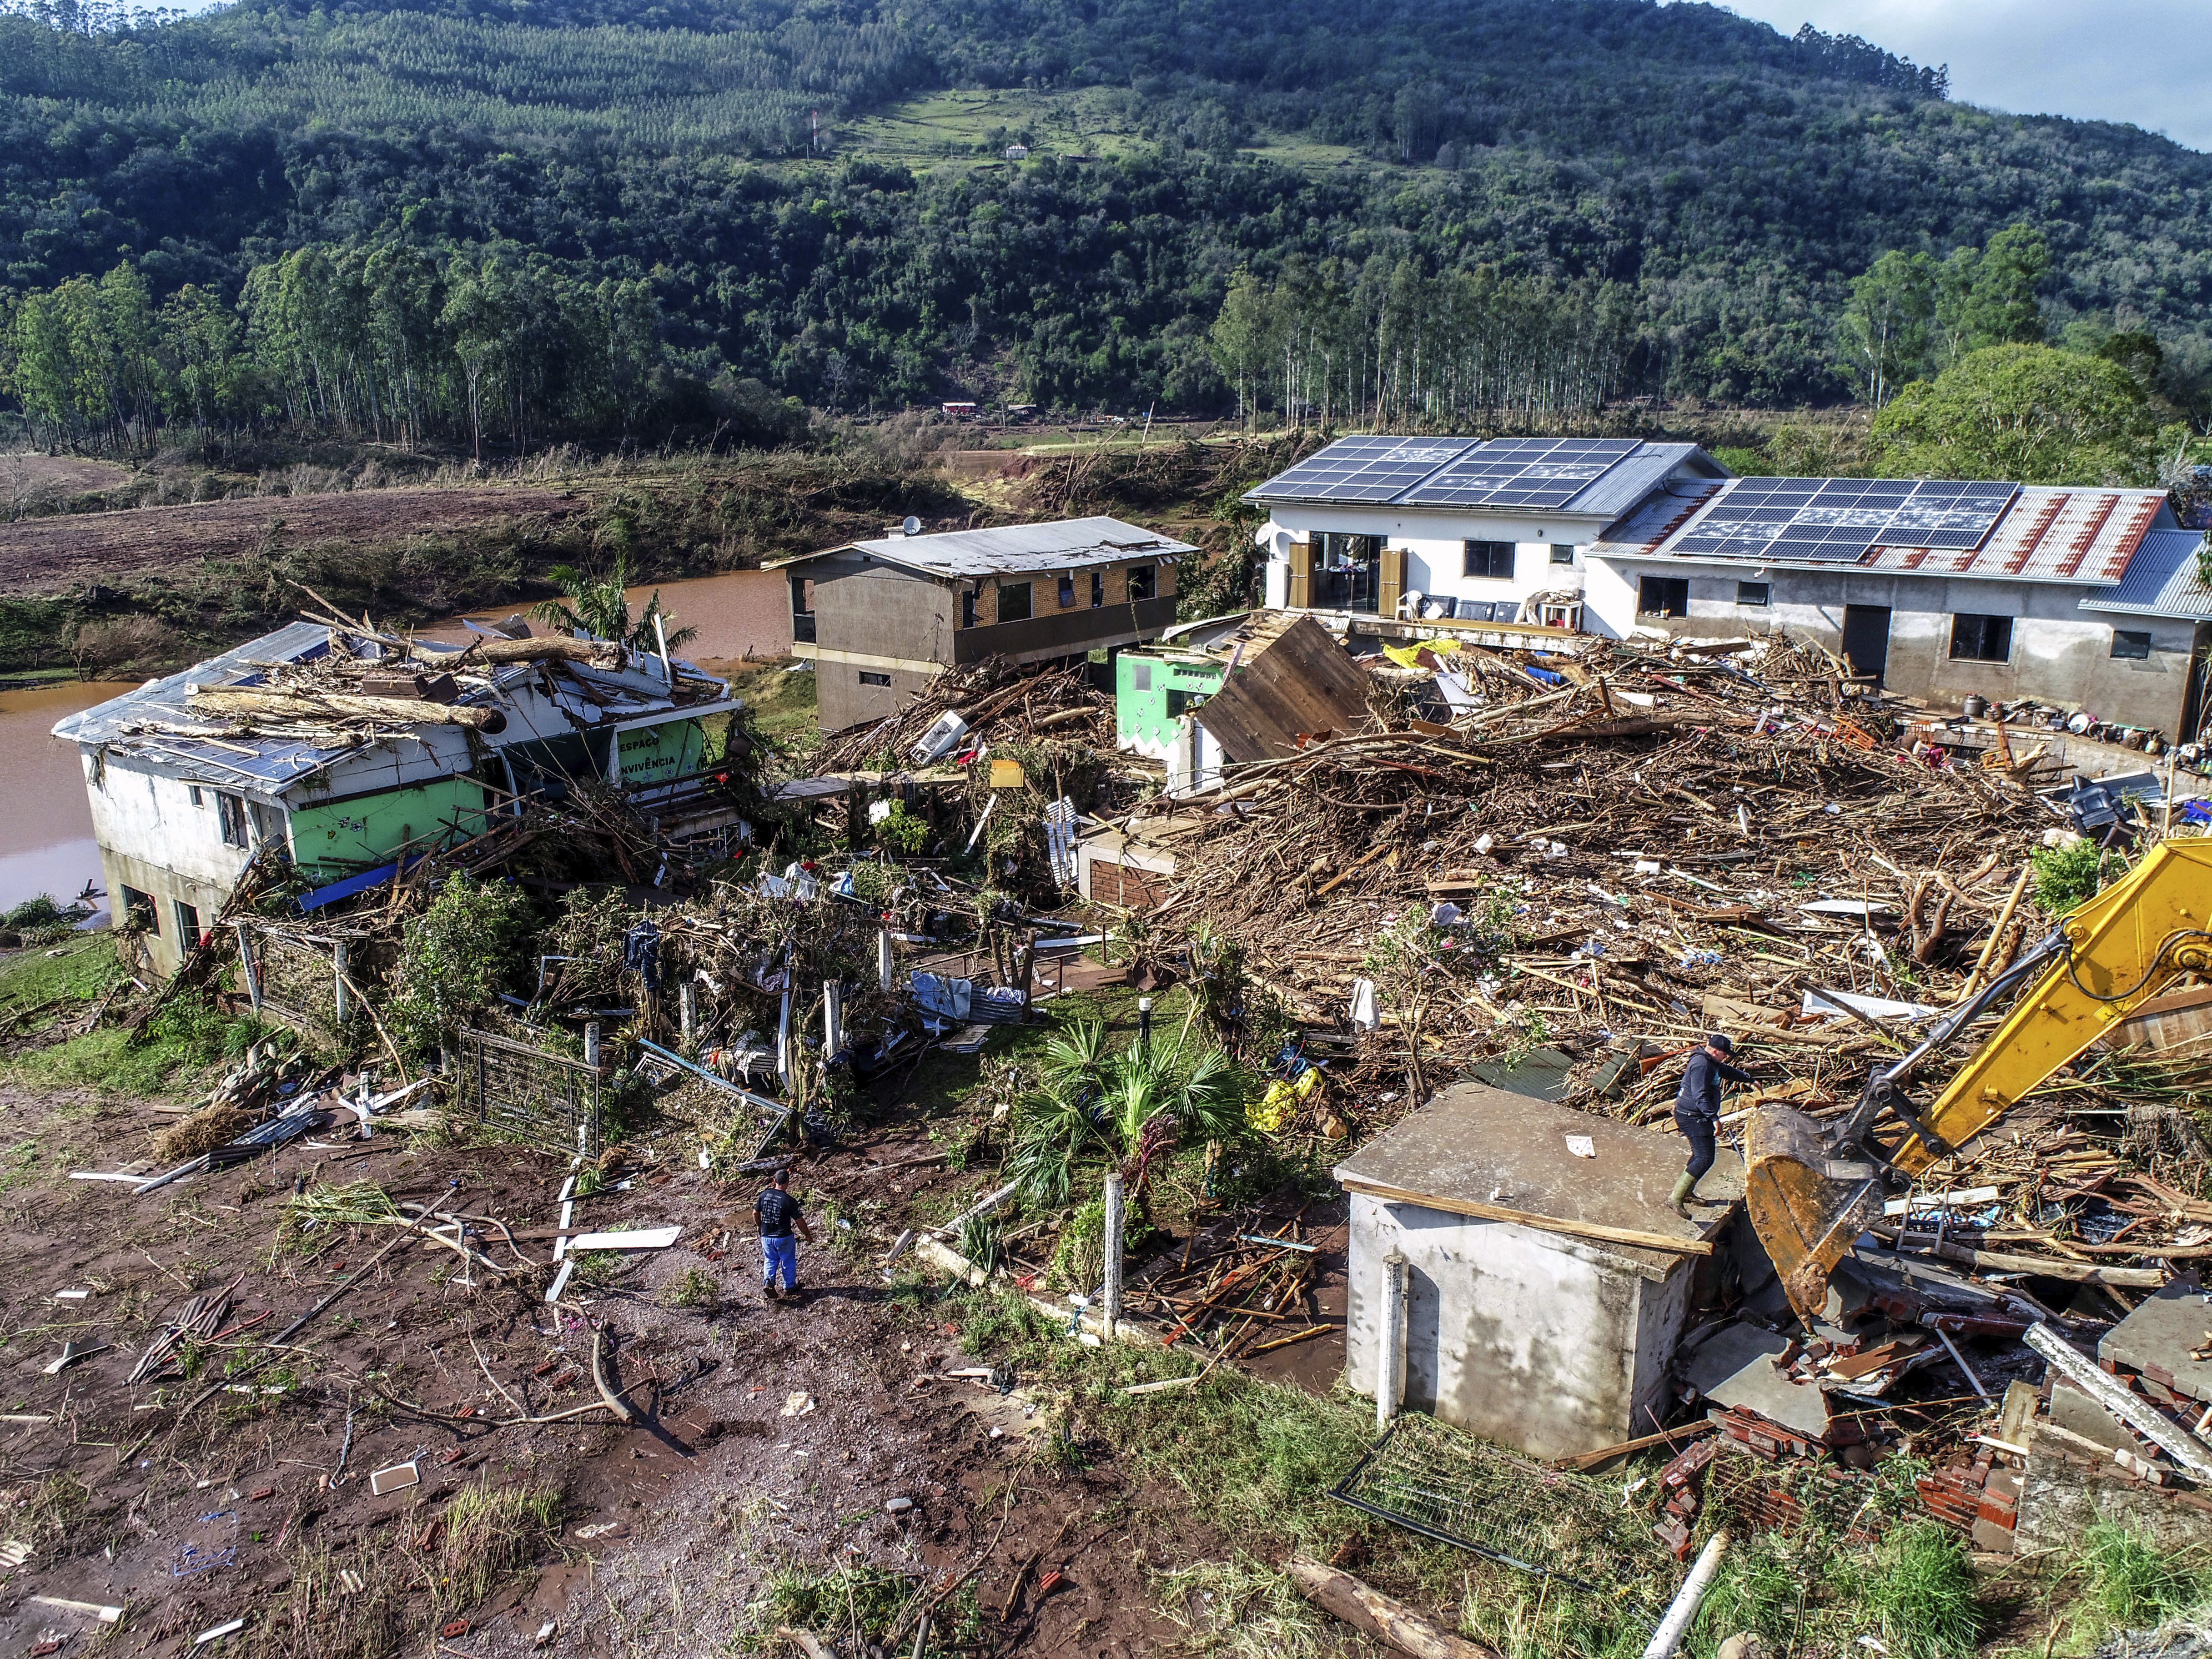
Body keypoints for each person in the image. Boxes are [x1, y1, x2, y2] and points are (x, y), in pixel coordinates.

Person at [1671, 1032, 1755, 1219]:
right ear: (1715, 1051)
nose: (1725, 1058)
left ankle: (1687, 1192)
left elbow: (1726, 1071)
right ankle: (1676, 1198)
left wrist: (1750, 1079)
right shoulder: (1701, 1065)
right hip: (1691, 1116)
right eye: (1724, 1054)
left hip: (1697, 1116)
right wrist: (1714, 1118)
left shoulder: (1711, 1062)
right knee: (1704, 1158)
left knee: (1701, 1156)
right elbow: (1700, 1095)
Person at [754, 1165, 814, 1302]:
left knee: (770, 1259)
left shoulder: (764, 1195)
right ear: (787, 1183)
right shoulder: (789, 1201)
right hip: (784, 1237)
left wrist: (759, 1226)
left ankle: (769, 1282)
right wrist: (808, 1235)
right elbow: (799, 1221)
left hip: (767, 1236)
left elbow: (755, 1213)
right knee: (788, 1261)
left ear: (775, 1181)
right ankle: (790, 1286)